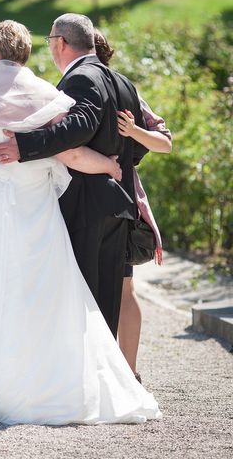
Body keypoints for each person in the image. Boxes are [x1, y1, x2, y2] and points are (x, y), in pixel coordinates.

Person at [0, 20, 160, 425]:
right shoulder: (45, 93)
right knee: (33, 298)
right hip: (32, 211)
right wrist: (108, 165)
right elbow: (72, 151)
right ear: (25, 53)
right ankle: (34, 388)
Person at [0, 13, 148, 337]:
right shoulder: (122, 81)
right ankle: (104, 380)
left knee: (81, 303)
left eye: (50, 41)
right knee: (105, 307)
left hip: (84, 206)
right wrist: (111, 162)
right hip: (116, 203)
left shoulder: (82, 79)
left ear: (60, 42)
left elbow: (78, 127)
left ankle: (87, 381)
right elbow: (139, 146)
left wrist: (25, 145)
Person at [94, 29, 172, 382]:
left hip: (120, 198)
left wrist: (132, 130)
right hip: (99, 198)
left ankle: (128, 372)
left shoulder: (126, 95)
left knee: (125, 288)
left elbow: (164, 143)